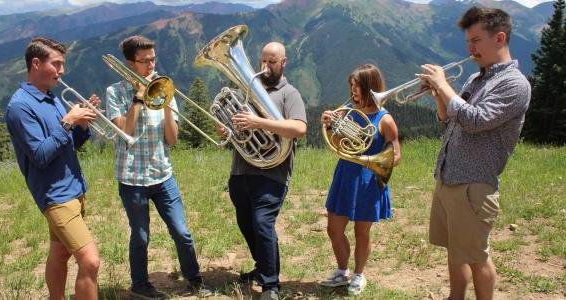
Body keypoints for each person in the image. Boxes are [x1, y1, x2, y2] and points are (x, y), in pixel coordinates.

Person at [417, 6, 531, 300]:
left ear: (499, 38)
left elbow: (476, 120)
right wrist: (439, 96)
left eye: (476, 41)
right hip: (449, 177)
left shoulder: (514, 84)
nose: (470, 48)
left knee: (477, 257)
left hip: (474, 185)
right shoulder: (474, 80)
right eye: (468, 41)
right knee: (457, 251)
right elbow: (451, 122)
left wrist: (444, 85)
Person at [105, 35, 212, 299]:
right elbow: (125, 133)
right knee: (140, 236)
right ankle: (140, 285)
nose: (151, 64)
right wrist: (138, 100)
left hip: (162, 175)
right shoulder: (115, 92)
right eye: (145, 61)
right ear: (130, 63)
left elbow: (172, 139)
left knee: (182, 232)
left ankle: (194, 279)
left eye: (153, 58)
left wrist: (166, 106)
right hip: (132, 178)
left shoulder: (163, 88)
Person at [5, 37, 101, 299]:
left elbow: (69, 144)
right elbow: (40, 155)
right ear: (36, 63)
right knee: (90, 261)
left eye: (62, 64)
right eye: (56, 64)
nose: (61, 71)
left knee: (60, 253)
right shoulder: (20, 107)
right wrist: (68, 122)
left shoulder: (53, 98)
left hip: (74, 188)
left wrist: (82, 125)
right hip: (55, 196)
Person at [217, 42, 307, 300]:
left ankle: (270, 286)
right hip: (241, 171)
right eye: (263, 61)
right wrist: (227, 129)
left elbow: (299, 128)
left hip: (272, 173)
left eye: (273, 62)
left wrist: (258, 121)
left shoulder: (290, 94)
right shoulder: (245, 91)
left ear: (284, 62)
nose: (266, 67)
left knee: (262, 224)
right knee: (246, 223)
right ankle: (262, 267)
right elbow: (236, 131)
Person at [319, 64, 401, 296]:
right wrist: (330, 125)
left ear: (370, 87)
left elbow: (396, 155)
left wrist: (374, 161)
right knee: (334, 228)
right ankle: (342, 271)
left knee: (361, 232)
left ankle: (359, 274)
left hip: (368, 180)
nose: (353, 91)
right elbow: (337, 143)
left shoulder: (385, 119)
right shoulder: (347, 111)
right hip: (345, 175)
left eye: (357, 87)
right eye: (351, 86)